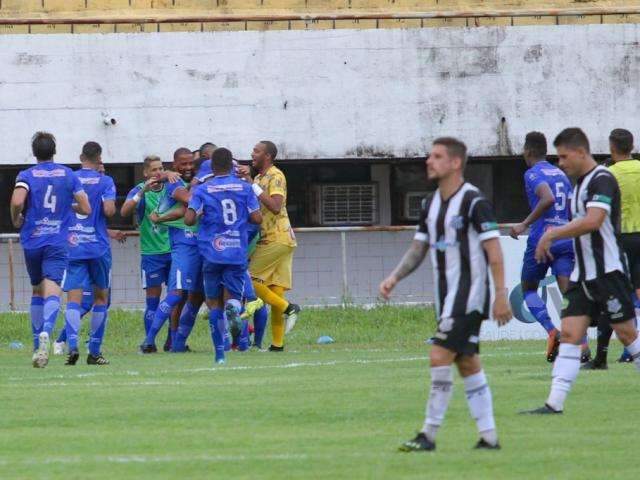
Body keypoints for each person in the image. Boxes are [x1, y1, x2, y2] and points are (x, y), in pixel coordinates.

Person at [380, 137, 512, 452]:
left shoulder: (474, 201)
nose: (429, 161)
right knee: (467, 363)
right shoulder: (430, 204)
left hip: (469, 297)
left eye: (437, 156)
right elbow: (418, 248)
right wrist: (394, 277)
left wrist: (501, 293)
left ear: (455, 163)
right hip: (446, 298)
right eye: (429, 156)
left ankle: (428, 434)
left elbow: (494, 250)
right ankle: (489, 437)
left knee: (439, 354)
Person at [522, 128, 640, 415]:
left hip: (607, 273)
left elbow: (593, 221)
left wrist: (552, 234)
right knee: (571, 334)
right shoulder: (578, 185)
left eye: (564, 156)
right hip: (582, 275)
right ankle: (554, 404)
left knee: (627, 334)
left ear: (580, 152)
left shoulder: (602, 179)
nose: (560, 163)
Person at [10, 132, 91, 368]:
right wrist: (69, 205)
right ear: (54, 151)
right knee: (52, 290)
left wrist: (16, 218)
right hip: (57, 241)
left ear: (34, 152)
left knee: (36, 290)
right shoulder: (67, 174)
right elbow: (85, 208)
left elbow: (17, 201)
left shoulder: (26, 175)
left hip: (33, 240)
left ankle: (37, 345)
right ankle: (47, 331)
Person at [185, 147, 262, 364]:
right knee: (234, 298)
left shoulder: (203, 189)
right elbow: (257, 218)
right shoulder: (245, 188)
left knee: (213, 302)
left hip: (211, 252)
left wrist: (198, 207)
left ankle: (220, 354)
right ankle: (234, 309)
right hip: (236, 251)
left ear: (212, 167)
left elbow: (189, 220)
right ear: (231, 165)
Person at [509, 132, 577, 362]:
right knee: (567, 292)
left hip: (542, 237)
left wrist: (523, 225)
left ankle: (551, 330)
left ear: (527, 151)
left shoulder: (532, 174)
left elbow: (546, 198)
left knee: (528, 288)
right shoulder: (561, 174)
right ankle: (582, 345)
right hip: (565, 237)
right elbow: (569, 209)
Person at [583, 128, 640, 369]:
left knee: (612, 293)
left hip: (621, 238)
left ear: (612, 147)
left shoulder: (608, 174)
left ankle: (601, 356)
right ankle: (631, 351)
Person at [141, 148, 203, 353]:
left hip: (203, 246)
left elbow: (187, 210)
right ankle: (148, 341)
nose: (187, 167)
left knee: (195, 298)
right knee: (176, 295)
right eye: (182, 164)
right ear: (174, 165)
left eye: (190, 164)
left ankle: (176, 343)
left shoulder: (192, 182)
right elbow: (187, 205)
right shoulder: (175, 182)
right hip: (183, 246)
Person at [61, 142, 116, 365]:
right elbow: (110, 211)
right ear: (99, 158)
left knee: (73, 299)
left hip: (74, 245)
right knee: (101, 298)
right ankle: (94, 351)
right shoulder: (105, 181)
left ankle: (72, 345)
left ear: (81, 156)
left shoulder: (69, 179)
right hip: (98, 246)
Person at [246, 141, 300, 352]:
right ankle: (277, 344)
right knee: (275, 290)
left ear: (267, 156)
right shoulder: (259, 177)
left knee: (247, 279)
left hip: (275, 238)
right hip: (281, 239)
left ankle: (289, 309)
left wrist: (251, 184)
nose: (252, 153)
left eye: (256, 151)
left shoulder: (276, 175)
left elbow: (276, 206)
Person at [120, 156, 173, 339]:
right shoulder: (139, 191)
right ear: (145, 173)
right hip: (152, 255)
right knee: (152, 301)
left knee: (176, 298)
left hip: (174, 252)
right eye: (154, 170)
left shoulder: (171, 188)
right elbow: (124, 211)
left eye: (161, 168)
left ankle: (172, 341)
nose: (158, 172)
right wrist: (142, 192)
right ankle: (150, 341)